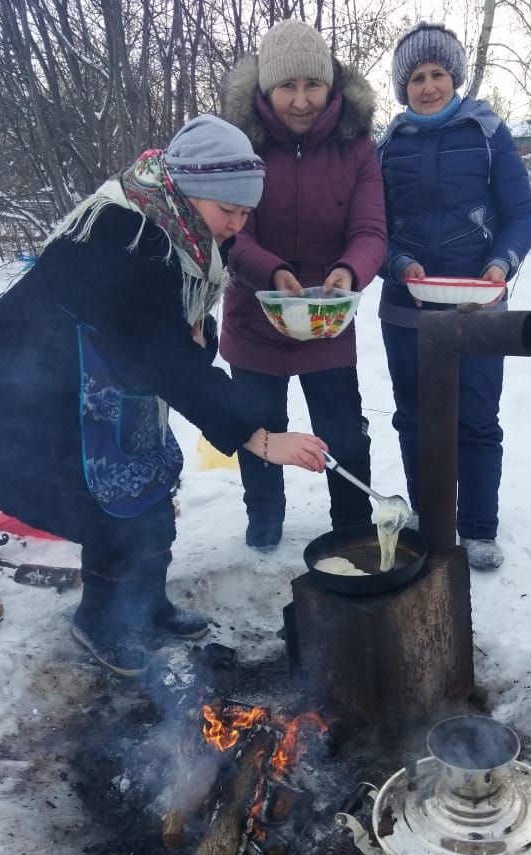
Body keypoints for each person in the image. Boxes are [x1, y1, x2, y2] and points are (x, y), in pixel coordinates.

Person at [0, 114, 327, 678]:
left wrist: (194, 339)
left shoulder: (181, 225)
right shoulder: (127, 232)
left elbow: (170, 336)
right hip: (34, 376)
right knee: (107, 502)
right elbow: (164, 355)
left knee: (149, 480)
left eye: (245, 213)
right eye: (227, 210)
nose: (236, 225)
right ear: (189, 188)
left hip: (104, 369)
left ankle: (148, 605)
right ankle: (101, 623)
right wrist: (259, 437)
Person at [218, 19, 387, 550]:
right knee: (260, 429)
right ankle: (263, 523)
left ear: (331, 87)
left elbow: (370, 229)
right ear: (267, 88)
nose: (300, 100)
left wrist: (351, 272)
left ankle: (354, 525)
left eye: (312, 85)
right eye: (287, 86)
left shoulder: (355, 146)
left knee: (342, 431)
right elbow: (224, 230)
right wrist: (269, 270)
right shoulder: (237, 143)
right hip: (254, 313)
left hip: (326, 314)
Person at [378, 22, 531, 570]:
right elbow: (372, 230)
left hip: (477, 306)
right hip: (407, 308)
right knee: (413, 415)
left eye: (437, 74)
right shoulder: (388, 145)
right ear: (404, 88)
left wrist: (501, 264)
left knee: (475, 416)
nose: (428, 87)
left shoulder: (488, 131)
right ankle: (428, 511)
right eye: (417, 77)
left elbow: (522, 214)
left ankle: (477, 526)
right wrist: (398, 264)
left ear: (455, 77)